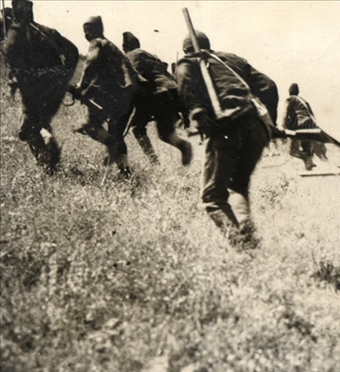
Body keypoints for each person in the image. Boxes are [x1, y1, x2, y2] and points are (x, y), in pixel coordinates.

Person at [175, 31, 274, 249]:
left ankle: (243, 249)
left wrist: (198, 112)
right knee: (237, 186)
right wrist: (271, 123)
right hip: (257, 127)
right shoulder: (233, 60)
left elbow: (184, 81)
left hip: (227, 125)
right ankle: (249, 236)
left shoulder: (189, 61)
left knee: (212, 199)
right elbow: (268, 85)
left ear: (186, 50)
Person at [0, 0, 78, 174]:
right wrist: (65, 74)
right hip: (55, 85)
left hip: (33, 85)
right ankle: (49, 154)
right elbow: (72, 50)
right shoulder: (48, 31)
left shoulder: (16, 34)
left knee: (26, 129)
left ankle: (48, 164)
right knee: (39, 121)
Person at [70, 16, 139, 178]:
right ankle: (125, 172)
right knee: (115, 131)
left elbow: (90, 65)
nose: (85, 35)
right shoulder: (111, 47)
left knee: (88, 125)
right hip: (129, 95)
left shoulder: (97, 43)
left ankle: (113, 146)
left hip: (116, 94)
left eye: (86, 30)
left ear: (92, 30)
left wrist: (81, 86)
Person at [121, 31, 193, 166]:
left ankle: (154, 162)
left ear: (125, 47)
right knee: (165, 134)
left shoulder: (131, 56)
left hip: (154, 94)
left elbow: (133, 83)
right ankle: (184, 145)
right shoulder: (150, 56)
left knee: (137, 128)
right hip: (170, 93)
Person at [283, 83, 326, 170]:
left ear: (289, 92)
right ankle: (309, 166)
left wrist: (283, 127)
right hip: (311, 125)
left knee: (292, 151)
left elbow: (284, 114)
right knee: (307, 149)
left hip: (302, 125)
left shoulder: (290, 99)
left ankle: (307, 159)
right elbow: (311, 114)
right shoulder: (304, 101)